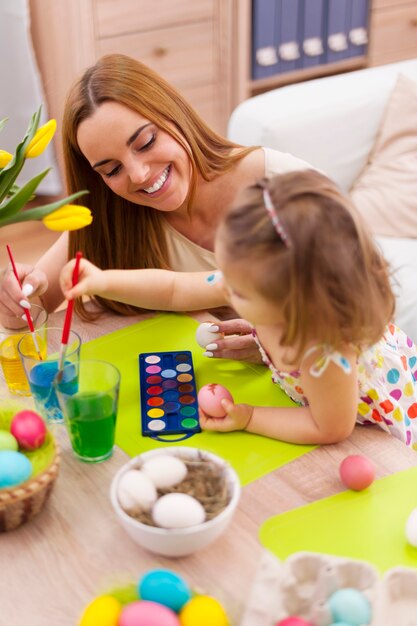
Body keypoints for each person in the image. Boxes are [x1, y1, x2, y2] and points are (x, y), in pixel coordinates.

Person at [60, 170, 417, 447]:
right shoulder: (251, 280)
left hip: (382, 432)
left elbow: (329, 427)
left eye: (237, 289)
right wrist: (104, 280)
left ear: (290, 306)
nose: (224, 287)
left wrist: (248, 417)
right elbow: (172, 289)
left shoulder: (323, 353)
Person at [0, 53, 311, 363]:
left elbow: (355, 297)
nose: (138, 174)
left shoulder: (283, 183)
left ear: (173, 114)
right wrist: (15, 299)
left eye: (146, 142)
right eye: (111, 170)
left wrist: (280, 348)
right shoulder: (113, 216)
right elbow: (32, 314)